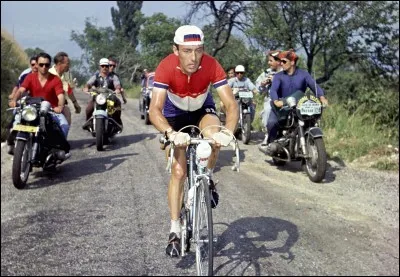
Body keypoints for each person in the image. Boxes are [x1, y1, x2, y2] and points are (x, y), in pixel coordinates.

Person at [148, 25, 239, 257]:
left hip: (201, 108)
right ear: (175, 50)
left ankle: (206, 178)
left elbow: (230, 105)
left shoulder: (211, 64)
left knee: (214, 137)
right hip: (174, 114)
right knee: (179, 172)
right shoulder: (166, 66)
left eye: (198, 51)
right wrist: (170, 133)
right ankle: (175, 229)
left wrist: (227, 132)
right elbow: (154, 109)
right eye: (187, 51)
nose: (193, 57)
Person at [266, 49, 328, 152]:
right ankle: (271, 145)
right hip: (282, 106)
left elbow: (314, 85)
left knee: (310, 122)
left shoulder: (304, 74)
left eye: (284, 61)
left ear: (292, 62)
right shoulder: (278, 76)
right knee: (271, 123)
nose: (281, 63)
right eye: (280, 61)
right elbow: (273, 90)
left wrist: (321, 97)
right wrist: (276, 101)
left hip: (298, 107)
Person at [9, 52, 70, 156]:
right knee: (16, 122)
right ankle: (14, 144)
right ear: (36, 65)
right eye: (41, 64)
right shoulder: (30, 77)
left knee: (64, 125)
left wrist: (60, 106)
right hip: (33, 109)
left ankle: (56, 151)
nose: (44, 67)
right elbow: (21, 90)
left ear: (50, 65)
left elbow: (60, 96)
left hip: (51, 110)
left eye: (46, 65)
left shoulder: (55, 80)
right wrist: (14, 100)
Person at [6, 55, 39, 155]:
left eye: (37, 64)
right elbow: (18, 87)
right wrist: (13, 98)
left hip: (39, 101)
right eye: (33, 64)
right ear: (30, 65)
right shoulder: (25, 74)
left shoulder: (46, 75)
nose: (35, 67)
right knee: (16, 116)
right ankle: (11, 141)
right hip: (25, 100)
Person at [83, 58, 123, 128]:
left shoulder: (114, 77)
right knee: (88, 108)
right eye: (102, 66)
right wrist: (86, 88)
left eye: (106, 66)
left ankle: (117, 122)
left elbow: (117, 85)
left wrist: (117, 89)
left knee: (118, 105)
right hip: (98, 96)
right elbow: (89, 83)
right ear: (100, 67)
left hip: (110, 96)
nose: (104, 68)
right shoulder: (95, 76)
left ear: (108, 67)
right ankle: (88, 122)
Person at [255, 50, 282, 147]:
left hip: (285, 99)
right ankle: (268, 134)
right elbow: (258, 89)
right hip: (271, 100)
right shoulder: (266, 73)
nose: (268, 63)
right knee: (267, 111)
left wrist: (276, 80)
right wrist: (263, 84)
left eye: (271, 61)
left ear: (278, 61)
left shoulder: (286, 72)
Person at [49, 51, 81, 126]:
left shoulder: (68, 74)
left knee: (67, 116)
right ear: (59, 64)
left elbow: (69, 90)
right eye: (67, 64)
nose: (69, 66)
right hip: (49, 103)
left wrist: (75, 104)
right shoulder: (49, 73)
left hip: (61, 104)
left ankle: (63, 136)